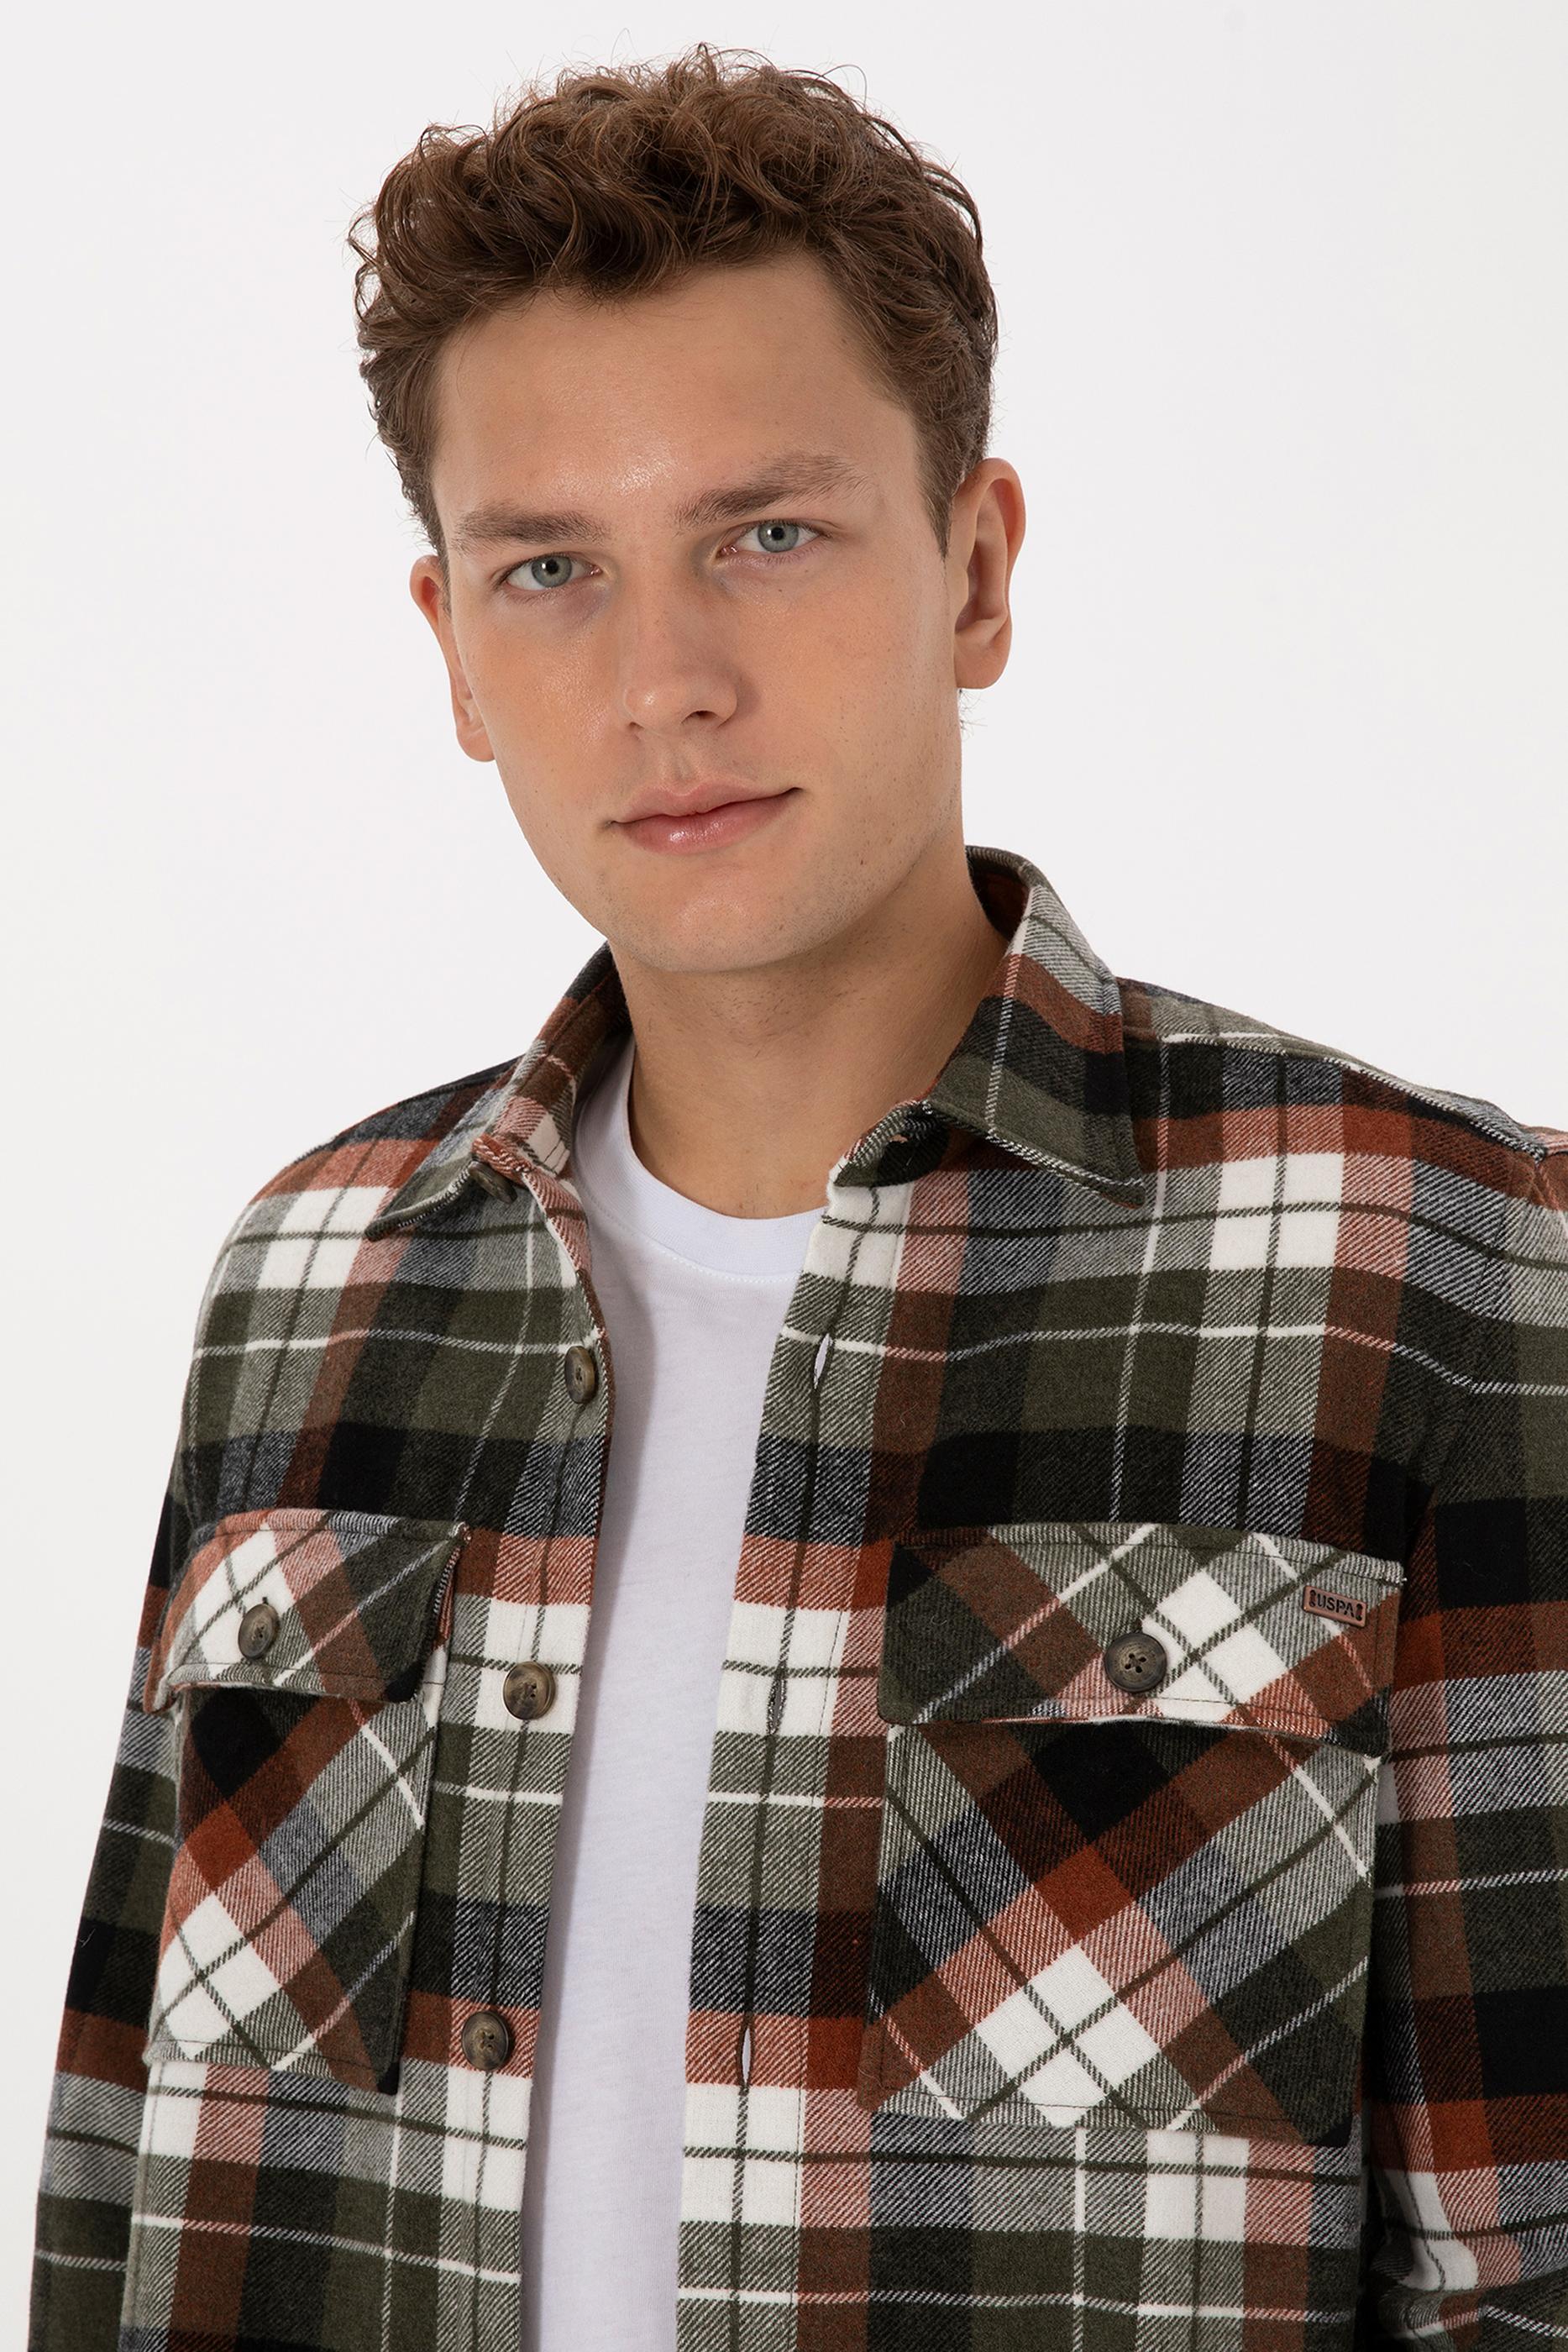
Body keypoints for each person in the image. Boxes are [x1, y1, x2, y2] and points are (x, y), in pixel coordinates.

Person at [29, 45, 1568, 2352]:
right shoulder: (311, 1282)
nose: (665, 682)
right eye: (551, 569)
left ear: (976, 569)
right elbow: (115, 2182)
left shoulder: (1431, 1266)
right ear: (451, 648)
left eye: (766, 533)